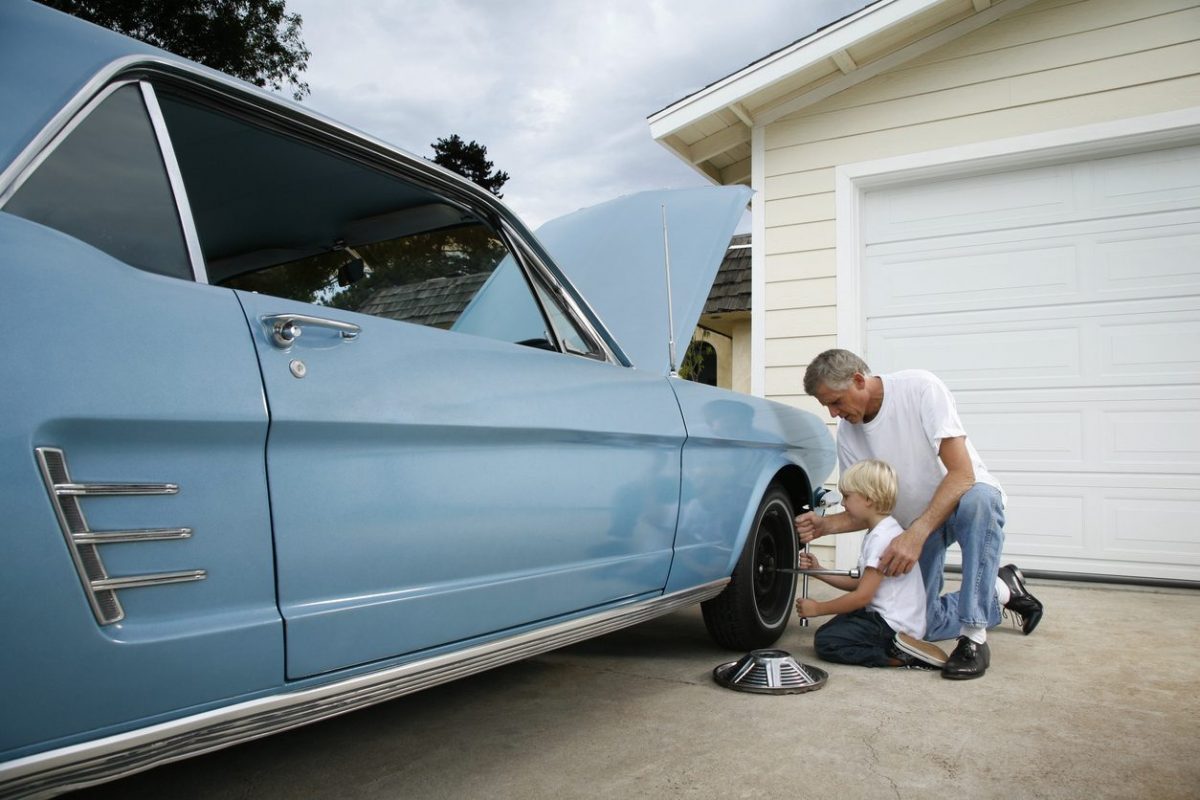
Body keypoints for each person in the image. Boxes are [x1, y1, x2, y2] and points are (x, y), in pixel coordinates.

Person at [794, 349, 1044, 680]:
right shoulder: (849, 435)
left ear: (858, 380)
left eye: (836, 402)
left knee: (981, 500)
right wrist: (825, 525)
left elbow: (961, 474)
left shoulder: (920, 388)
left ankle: (973, 639)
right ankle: (1001, 591)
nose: (833, 412)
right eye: (826, 406)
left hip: (960, 501)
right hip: (914, 523)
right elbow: (866, 508)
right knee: (916, 624)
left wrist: (915, 535)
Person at [795, 459, 949, 670]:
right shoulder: (882, 531)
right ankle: (899, 647)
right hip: (885, 616)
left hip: (892, 624)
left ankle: (899, 656)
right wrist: (818, 571)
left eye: (847, 497)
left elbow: (862, 596)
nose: (843, 504)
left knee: (826, 641)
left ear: (868, 499)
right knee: (832, 629)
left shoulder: (881, 538)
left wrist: (818, 608)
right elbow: (860, 583)